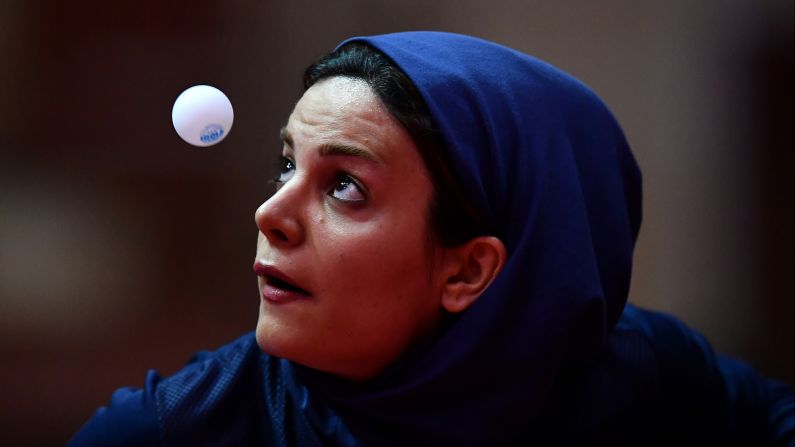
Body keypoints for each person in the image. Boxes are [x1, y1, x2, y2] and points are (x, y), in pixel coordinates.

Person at [69, 31, 793, 446]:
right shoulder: (170, 431)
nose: (270, 213)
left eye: (344, 186)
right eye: (286, 165)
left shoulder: (641, 375)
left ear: (469, 269)